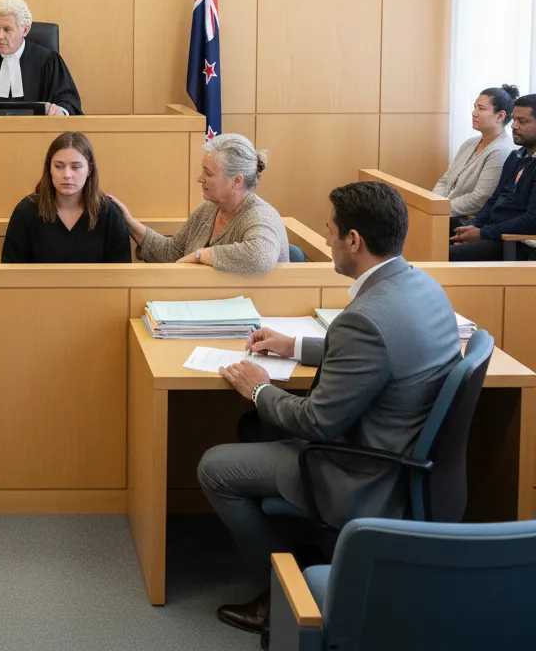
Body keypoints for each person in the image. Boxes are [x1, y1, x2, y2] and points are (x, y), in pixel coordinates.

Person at [197, 180, 460, 638]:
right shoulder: (420, 284)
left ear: (353, 240)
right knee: (253, 428)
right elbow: (383, 353)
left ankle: (283, 592)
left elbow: (316, 421)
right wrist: (295, 345)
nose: (327, 238)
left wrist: (259, 389)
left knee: (214, 467)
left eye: (330, 230)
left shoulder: (365, 318)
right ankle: (305, 550)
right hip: (405, 451)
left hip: (361, 468)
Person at [111, 133, 288, 274]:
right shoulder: (208, 209)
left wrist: (202, 255)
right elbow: (172, 253)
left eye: (208, 173)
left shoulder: (260, 215)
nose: (200, 178)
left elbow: (260, 256)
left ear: (237, 181)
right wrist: (130, 224)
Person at [1, 132, 131, 264]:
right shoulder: (26, 211)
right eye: (59, 166)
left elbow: (122, 272)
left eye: (76, 167)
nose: (67, 174)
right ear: (49, 168)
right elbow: (10, 270)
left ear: (89, 170)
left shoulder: (109, 213)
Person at [450, 93, 536, 261]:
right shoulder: (516, 157)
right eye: (514, 120)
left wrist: (482, 233)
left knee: (444, 255)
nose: (514, 126)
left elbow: (531, 220)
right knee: (439, 232)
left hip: (514, 241)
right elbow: (494, 199)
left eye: (522, 121)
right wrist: (473, 227)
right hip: (493, 231)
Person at [433, 84, 517, 229]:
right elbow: (445, 180)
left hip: (468, 223)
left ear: (500, 116)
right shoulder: (469, 143)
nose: (474, 113)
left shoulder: (501, 151)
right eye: (474, 107)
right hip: (446, 213)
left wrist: (440, 209)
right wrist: (433, 203)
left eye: (481, 108)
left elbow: (480, 198)